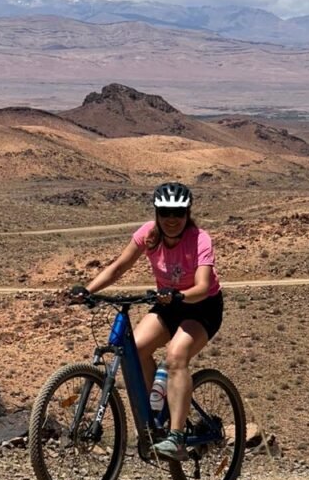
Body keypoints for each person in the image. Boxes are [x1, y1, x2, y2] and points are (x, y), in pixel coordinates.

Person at [74, 181, 223, 460]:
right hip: (168, 304)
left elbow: (203, 286)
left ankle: (177, 438)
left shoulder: (200, 239)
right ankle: (158, 412)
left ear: (187, 214)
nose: (171, 219)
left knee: (176, 354)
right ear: (156, 212)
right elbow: (119, 267)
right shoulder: (148, 234)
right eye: (165, 212)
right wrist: (88, 290)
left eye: (178, 213)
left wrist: (179, 296)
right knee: (136, 348)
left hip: (202, 307)